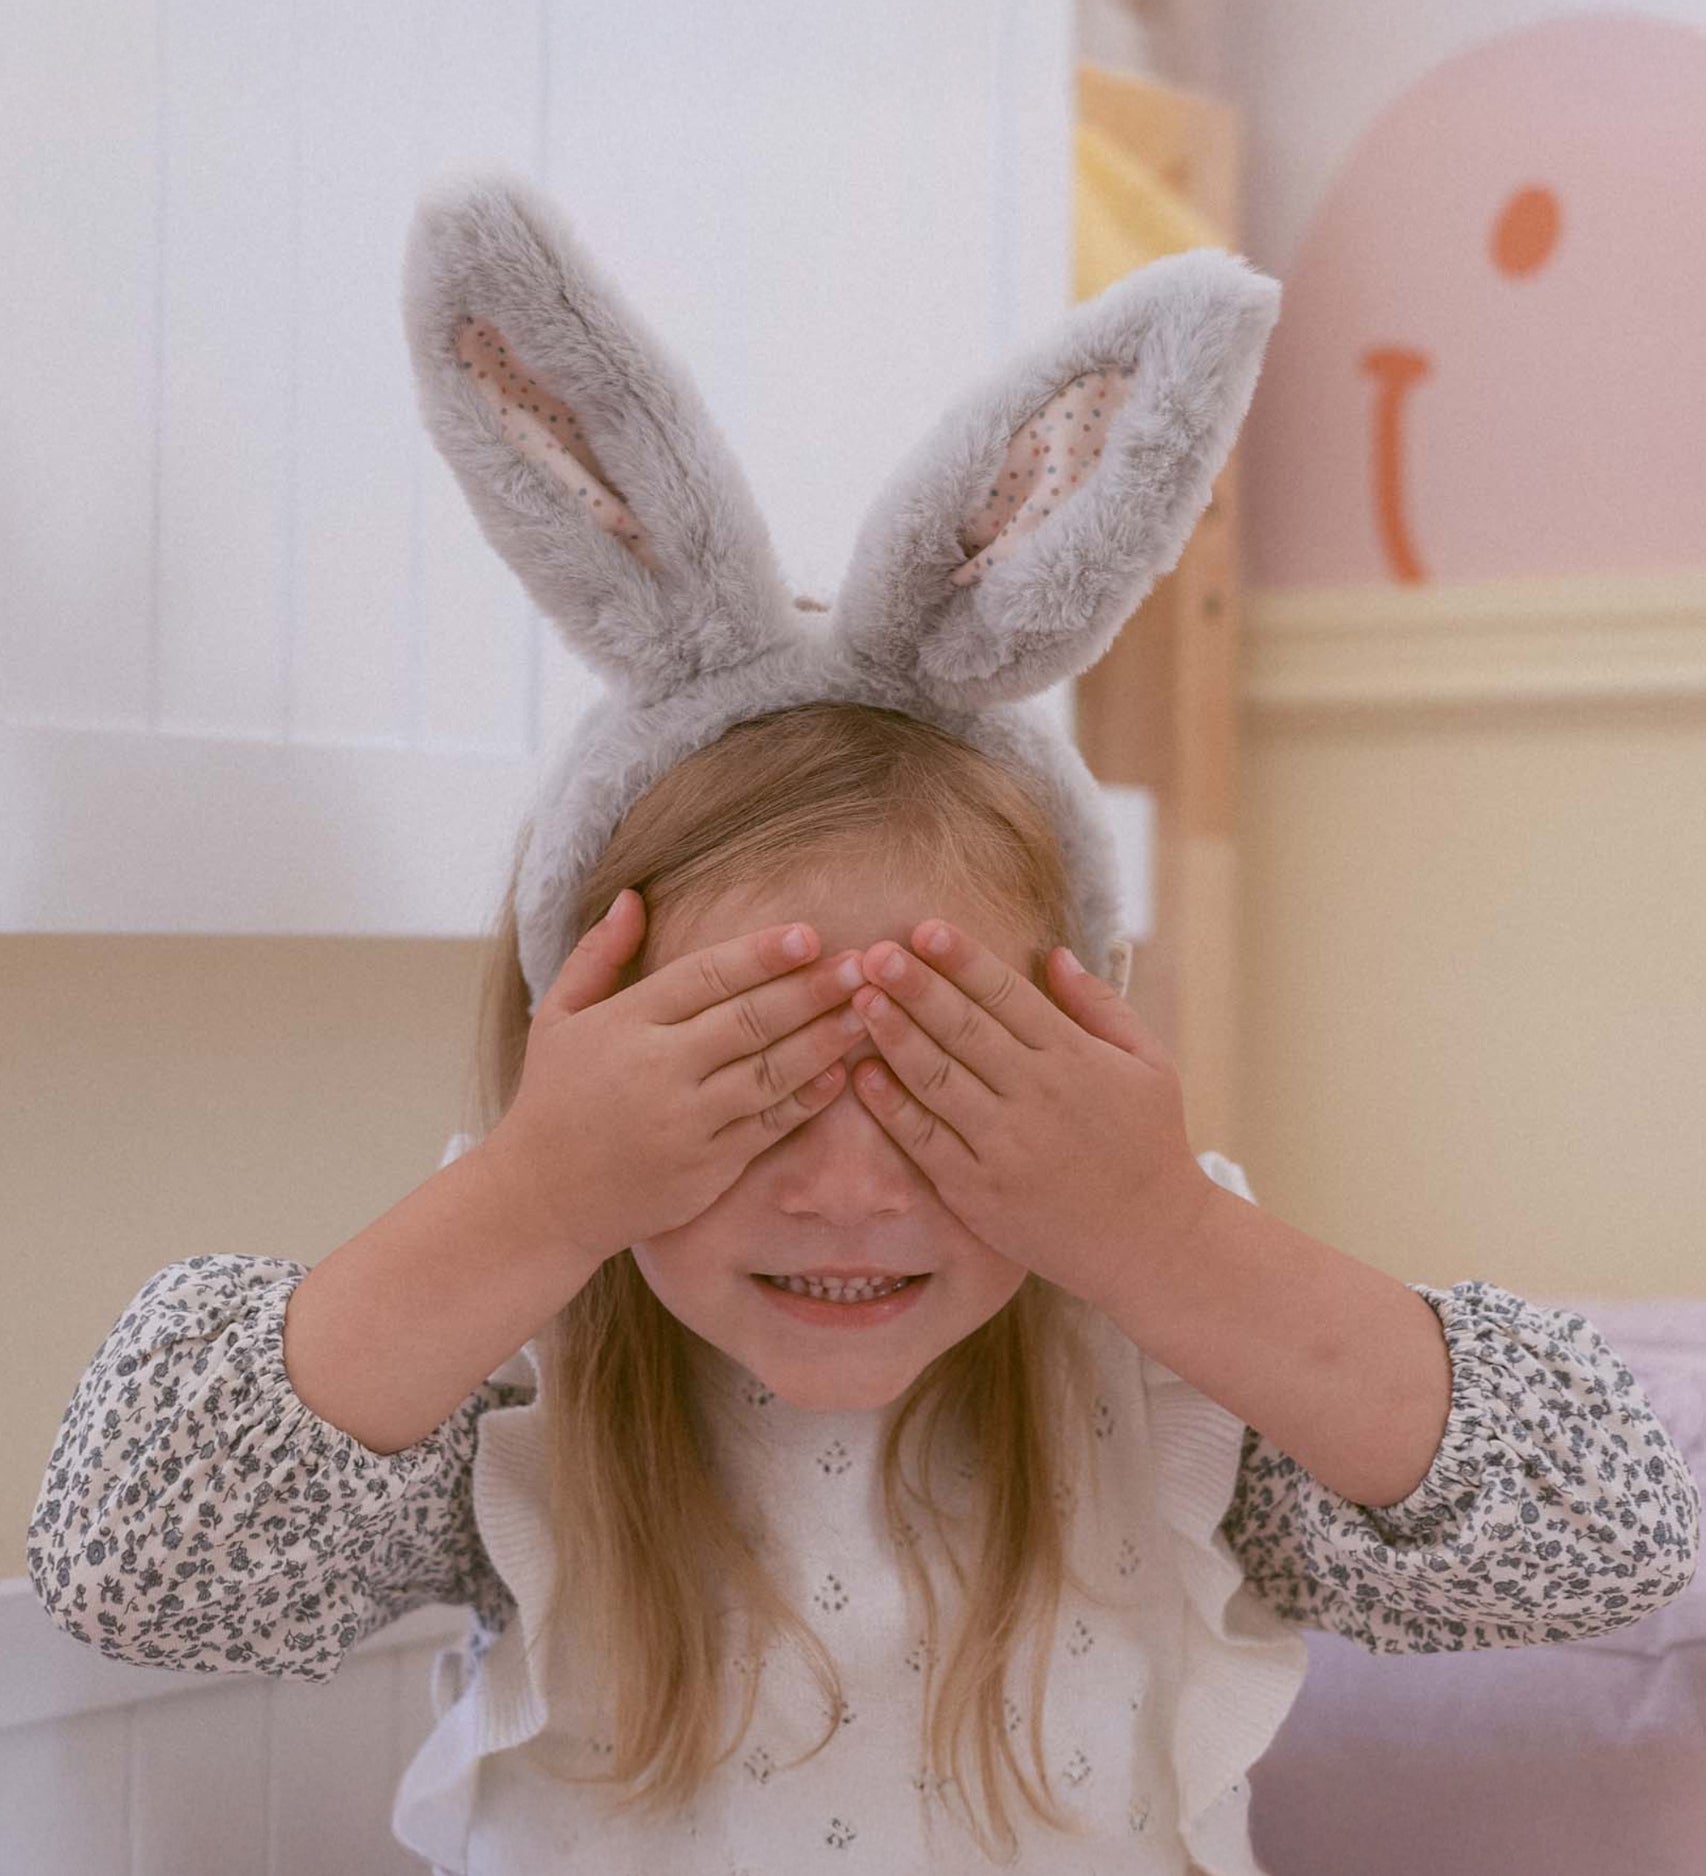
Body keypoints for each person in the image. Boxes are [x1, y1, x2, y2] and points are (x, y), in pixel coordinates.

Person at [28, 173, 1700, 1875]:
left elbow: (1604, 1536)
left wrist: (1163, 1233)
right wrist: (535, 1198)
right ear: (584, 1075)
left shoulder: (1159, 1349)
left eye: (936, 1088)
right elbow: (133, 1570)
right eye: (741, 1092)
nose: (846, 1192)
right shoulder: (534, 1346)